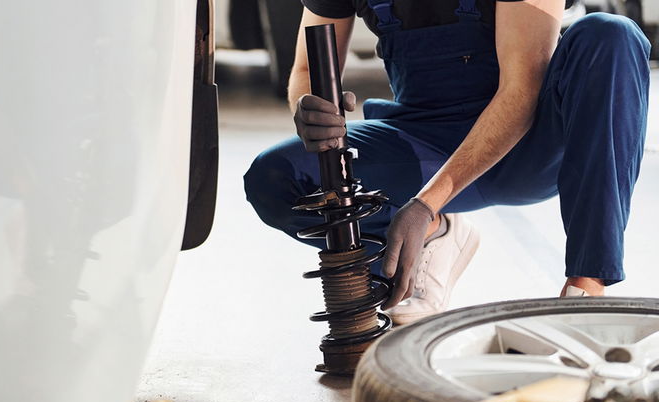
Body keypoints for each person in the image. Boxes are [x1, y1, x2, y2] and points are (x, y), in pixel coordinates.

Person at [244, 0, 651, 325]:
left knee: (609, 36)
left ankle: (585, 291)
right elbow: (304, 67)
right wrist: (308, 108)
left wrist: (425, 202)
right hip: (422, 143)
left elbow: (521, 88)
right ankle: (436, 236)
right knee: (276, 177)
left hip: (530, 146)